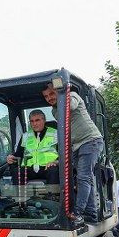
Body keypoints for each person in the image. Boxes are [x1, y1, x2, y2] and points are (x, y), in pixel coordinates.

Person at [42, 85, 103, 222]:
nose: (49, 98)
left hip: (90, 140)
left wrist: (64, 93)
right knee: (85, 179)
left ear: (59, 91)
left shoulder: (73, 96)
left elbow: (71, 106)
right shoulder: (54, 111)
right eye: (46, 96)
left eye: (52, 93)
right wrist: (59, 160)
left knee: (83, 177)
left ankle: (78, 213)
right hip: (76, 146)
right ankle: (91, 214)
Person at [6, 109, 59, 185]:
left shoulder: (55, 134)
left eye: (37, 120)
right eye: (32, 121)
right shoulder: (25, 136)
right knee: (17, 172)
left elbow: (64, 153)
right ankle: (19, 196)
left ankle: (53, 196)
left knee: (54, 171)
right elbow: (18, 154)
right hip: (29, 168)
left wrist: (56, 162)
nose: (34, 124)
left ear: (44, 120)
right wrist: (11, 157)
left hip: (47, 167)